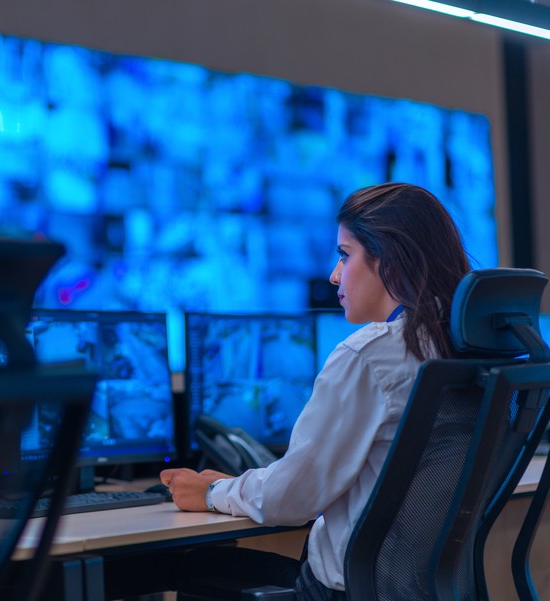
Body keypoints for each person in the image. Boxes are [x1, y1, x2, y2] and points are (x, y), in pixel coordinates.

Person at [161, 183, 472, 600]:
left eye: (345, 255)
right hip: (431, 590)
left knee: (193, 565)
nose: (334, 274)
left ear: (389, 260)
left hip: (348, 593)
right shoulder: (468, 348)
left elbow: (293, 498)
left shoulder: (370, 355)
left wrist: (214, 493)